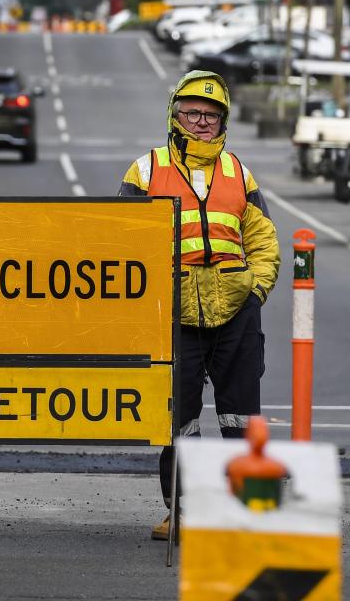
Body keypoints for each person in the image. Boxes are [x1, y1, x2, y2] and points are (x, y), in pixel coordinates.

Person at [117, 70, 281, 540]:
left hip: (235, 312)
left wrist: (256, 291)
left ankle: (252, 511)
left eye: (212, 115)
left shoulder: (239, 173)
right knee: (179, 422)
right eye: (193, 113)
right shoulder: (145, 170)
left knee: (242, 418)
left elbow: (264, 240)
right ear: (175, 116)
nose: (203, 122)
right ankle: (180, 513)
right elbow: (123, 241)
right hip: (174, 315)